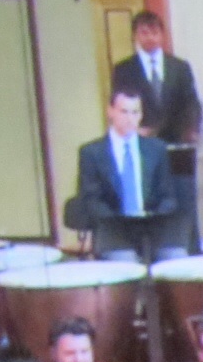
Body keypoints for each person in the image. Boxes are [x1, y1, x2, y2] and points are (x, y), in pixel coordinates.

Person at [110, 10, 203, 250]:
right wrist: (135, 129)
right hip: (143, 146)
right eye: (144, 32)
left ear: (162, 34)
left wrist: (192, 129)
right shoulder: (124, 69)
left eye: (154, 32)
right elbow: (120, 104)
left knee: (184, 201)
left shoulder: (179, 67)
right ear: (135, 36)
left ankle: (190, 250)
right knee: (151, 201)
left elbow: (191, 102)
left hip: (177, 145)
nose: (150, 37)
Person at [68, 89, 175, 260]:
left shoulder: (156, 149)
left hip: (152, 229)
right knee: (126, 261)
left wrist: (156, 219)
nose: (130, 118)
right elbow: (91, 200)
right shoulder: (92, 153)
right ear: (110, 111)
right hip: (113, 233)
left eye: (135, 112)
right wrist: (120, 224)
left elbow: (168, 196)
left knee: (176, 257)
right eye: (124, 112)